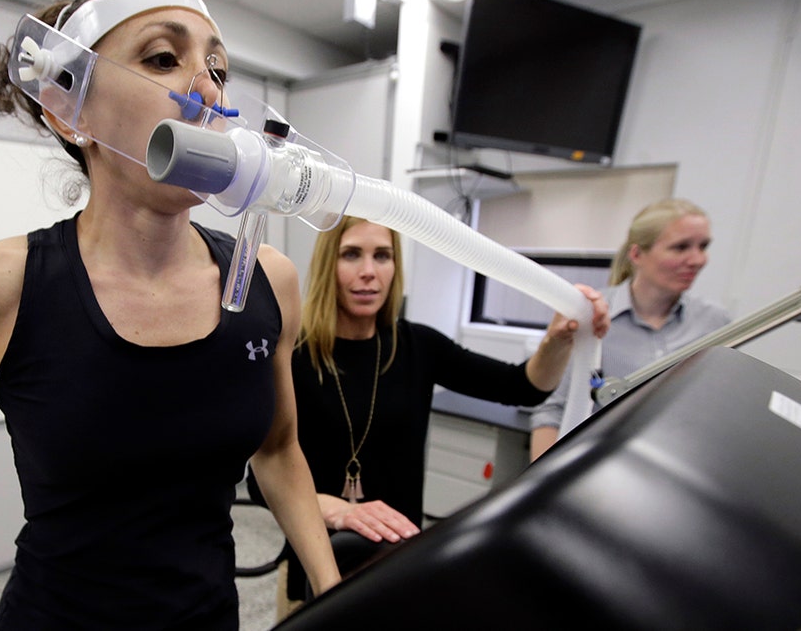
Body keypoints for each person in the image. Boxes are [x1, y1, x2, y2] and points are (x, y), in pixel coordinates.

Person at [0, 0, 340, 630]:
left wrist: (333, 586)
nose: (207, 91)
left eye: (218, 68)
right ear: (70, 110)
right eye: (162, 57)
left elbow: (279, 448)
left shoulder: (267, 280)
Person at [249, 216, 609, 616]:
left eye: (382, 256)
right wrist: (341, 510)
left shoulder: (418, 346)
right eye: (352, 254)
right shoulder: (295, 356)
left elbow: (522, 386)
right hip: (314, 562)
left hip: (398, 559)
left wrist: (558, 339)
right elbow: (260, 484)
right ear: (327, 265)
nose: (369, 272)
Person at [526, 198, 732, 461]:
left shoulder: (715, 323)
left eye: (703, 246)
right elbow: (552, 410)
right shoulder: (589, 315)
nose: (697, 259)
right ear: (637, 255)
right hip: (599, 466)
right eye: (680, 247)